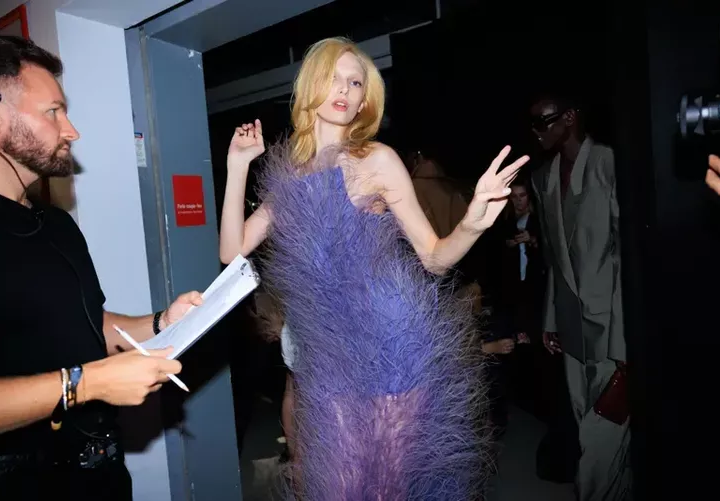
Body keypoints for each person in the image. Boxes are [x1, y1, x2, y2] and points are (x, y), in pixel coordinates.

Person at [219, 37, 528, 500]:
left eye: (356, 82)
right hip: (328, 354)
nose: (345, 90)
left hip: (391, 345)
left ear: (366, 99)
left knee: (385, 489)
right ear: (311, 86)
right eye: (334, 78)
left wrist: (472, 223)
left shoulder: (377, 160)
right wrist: (238, 165)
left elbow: (434, 257)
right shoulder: (288, 177)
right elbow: (232, 250)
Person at [0, 35, 202, 500]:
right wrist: (88, 384)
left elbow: (86, 323)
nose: (71, 131)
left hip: (98, 475)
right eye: (53, 112)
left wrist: (161, 322)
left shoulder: (58, 225)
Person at [529, 92, 631, 500]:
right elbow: (554, 259)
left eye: (542, 121)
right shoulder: (544, 178)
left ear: (569, 117)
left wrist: (624, 343)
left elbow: (626, 257)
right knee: (589, 430)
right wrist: (550, 319)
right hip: (570, 331)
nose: (536, 131)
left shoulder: (608, 164)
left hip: (610, 331)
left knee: (601, 436)